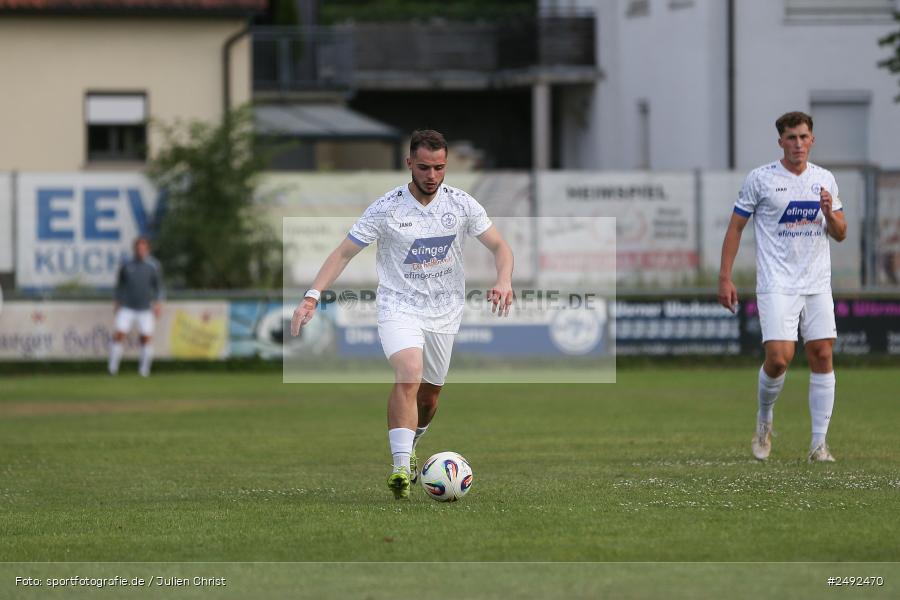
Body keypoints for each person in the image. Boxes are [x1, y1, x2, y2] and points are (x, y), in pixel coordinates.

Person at [291, 130, 514, 499]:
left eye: (439, 167)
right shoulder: (386, 208)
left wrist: (504, 279)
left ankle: (412, 445)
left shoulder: (461, 204)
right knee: (409, 372)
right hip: (399, 306)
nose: (432, 175)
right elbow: (343, 253)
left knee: (429, 399)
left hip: (444, 311)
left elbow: (499, 246)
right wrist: (311, 297)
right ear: (409, 163)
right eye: (424, 167)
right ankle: (399, 466)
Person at [718, 111, 847, 463]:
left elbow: (840, 233)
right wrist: (725, 277)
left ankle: (819, 445)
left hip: (817, 283)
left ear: (812, 140)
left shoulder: (825, 180)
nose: (798, 144)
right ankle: (764, 419)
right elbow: (735, 228)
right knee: (778, 359)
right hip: (777, 283)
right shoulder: (760, 179)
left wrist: (830, 213)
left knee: (822, 354)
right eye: (791, 138)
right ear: (781, 142)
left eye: (804, 137)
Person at [108, 236, 164, 377]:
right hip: (127, 307)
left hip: (145, 308)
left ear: (147, 249)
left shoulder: (153, 266)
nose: (140, 250)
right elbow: (120, 285)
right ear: (134, 249)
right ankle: (112, 369)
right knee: (119, 335)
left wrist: (158, 303)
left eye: (143, 248)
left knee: (146, 338)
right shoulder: (127, 265)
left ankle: (144, 371)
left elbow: (159, 287)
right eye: (138, 248)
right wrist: (117, 301)